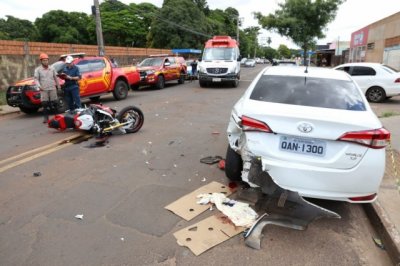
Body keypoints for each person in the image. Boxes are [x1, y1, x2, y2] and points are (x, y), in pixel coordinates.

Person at [34, 53, 61, 123]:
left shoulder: (52, 68)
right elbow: (36, 79)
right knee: (44, 103)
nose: (45, 62)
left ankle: (57, 117)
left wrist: (59, 87)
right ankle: (46, 118)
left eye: (46, 60)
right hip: (44, 89)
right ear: (41, 61)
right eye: (44, 60)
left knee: (55, 102)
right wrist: (39, 86)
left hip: (52, 88)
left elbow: (56, 78)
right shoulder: (38, 70)